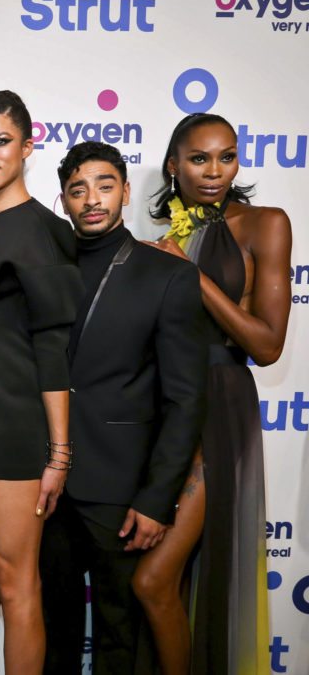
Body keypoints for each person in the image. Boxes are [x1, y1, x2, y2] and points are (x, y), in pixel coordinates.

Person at [39, 142, 208, 674]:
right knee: (52, 631)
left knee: (119, 636)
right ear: (63, 201)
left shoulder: (167, 275)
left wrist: (158, 499)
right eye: (78, 189)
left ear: (126, 192)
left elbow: (185, 399)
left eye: (105, 185)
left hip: (121, 489)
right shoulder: (41, 270)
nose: (92, 199)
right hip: (46, 485)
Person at [135, 113, 292, 675]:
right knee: (164, 577)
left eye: (226, 156)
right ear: (173, 166)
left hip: (220, 409)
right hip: (166, 411)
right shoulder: (167, 237)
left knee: (154, 579)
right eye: (199, 159)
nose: (214, 171)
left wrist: (189, 276)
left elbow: (268, 344)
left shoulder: (265, 224)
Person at [0, 90, 83, 675]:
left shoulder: (38, 230)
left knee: (15, 583)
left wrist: (58, 453)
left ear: (28, 147)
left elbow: (53, 347)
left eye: (0, 141)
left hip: (13, 429)